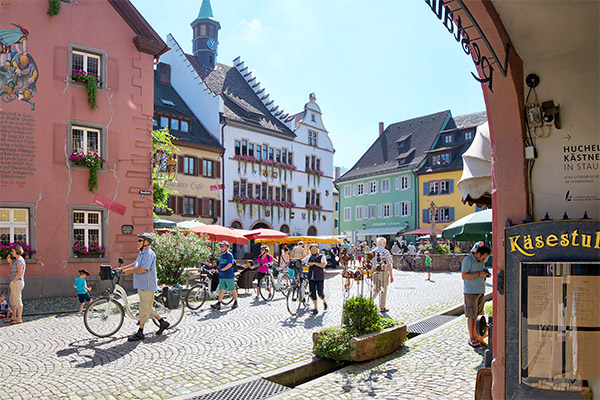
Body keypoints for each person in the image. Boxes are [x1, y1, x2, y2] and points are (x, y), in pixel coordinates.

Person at [120, 233, 169, 341]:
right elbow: (135, 264)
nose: (137, 242)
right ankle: (163, 322)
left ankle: (140, 332)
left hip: (147, 285)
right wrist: (123, 268)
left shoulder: (148, 254)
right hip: (142, 285)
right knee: (148, 307)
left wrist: (129, 271)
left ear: (146, 242)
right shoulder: (142, 253)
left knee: (143, 308)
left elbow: (143, 269)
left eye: (140, 240)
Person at [462, 245, 492, 348]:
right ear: (478, 254)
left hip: (480, 291)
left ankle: (477, 335)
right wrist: (479, 274)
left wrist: (487, 275)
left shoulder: (480, 262)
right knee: (471, 315)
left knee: (479, 314)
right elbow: (464, 276)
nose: (484, 260)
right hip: (471, 292)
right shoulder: (468, 260)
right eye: (483, 258)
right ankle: (471, 338)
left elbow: (484, 273)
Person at [210, 241, 239, 310]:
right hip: (222, 275)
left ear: (226, 247)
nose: (221, 248)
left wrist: (222, 270)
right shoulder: (221, 255)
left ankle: (236, 301)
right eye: (220, 246)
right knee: (221, 290)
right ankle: (219, 303)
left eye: (222, 246)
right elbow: (221, 264)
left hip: (229, 275)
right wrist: (217, 269)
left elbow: (230, 264)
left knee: (232, 290)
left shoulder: (229, 255)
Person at [302, 244, 328, 315]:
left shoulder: (321, 256)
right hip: (311, 277)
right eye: (312, 249)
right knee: (312, 292)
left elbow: (323, 265)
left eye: (314, 249)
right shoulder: (309, 257)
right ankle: (315, 309)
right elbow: (302, 261)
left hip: (319, 277)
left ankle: (324, 301)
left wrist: (314, 263)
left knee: (320, 293)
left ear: (317, 249)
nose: (313, 250)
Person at [370, 237, 394, 313]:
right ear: (384, 243)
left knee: (376, 289)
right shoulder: (385, 252)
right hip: (383, 272)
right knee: (383, 289)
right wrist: (391, 275)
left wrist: (371, 274)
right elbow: (389, 264)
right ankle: (382, 307)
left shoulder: (373, 251)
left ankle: (368, 303)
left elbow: (370, 264)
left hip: (374, 272)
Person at [6, 245, 26, 324]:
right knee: (12, 300)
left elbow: (19, 273)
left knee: (17, 300)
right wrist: (10, 263)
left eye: (13, 251)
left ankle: (19, 318)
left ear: (17, 251)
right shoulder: (16, 260)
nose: (12, 253)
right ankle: (13, 317)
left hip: (17, 283)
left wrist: (13, 281)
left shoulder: (20, 261)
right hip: (14, 282)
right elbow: (13, 271)